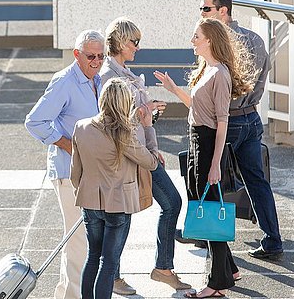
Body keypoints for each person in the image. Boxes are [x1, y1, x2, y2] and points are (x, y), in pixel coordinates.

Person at [155, 18, 256, 298]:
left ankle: (217, 285)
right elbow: (198, 108)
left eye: (196, 36)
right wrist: (174, 90)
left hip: (209, 145)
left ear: (209, 39)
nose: (193, 41)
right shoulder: (207, 70)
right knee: (205, 205)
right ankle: (230, 269)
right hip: (198, 140)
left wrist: (214, 165)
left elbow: (222, 121)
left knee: (209, 210)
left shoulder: (220, 74)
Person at [99, 16, 191, 292]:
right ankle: (114, 277)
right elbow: (113, 121)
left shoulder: (124, 73)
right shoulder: (108, 76)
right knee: (122, 215)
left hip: (142, 152)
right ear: (118, 42)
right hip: (127, 155)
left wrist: (152, 137)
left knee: (172, 202)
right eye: (133, 41)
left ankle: (162, 268)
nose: (137, 47)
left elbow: (142, 119)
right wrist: (143, 115)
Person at [199, 0, 283, 260]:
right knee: (257, 181)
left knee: (209, 177)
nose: (201, 14)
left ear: (223, 11)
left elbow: (216, 89)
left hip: (227, 121)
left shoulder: (218, 43)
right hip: (252, 118)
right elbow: (262, 78)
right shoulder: (256, 40)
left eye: (206, 9)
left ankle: (206, 237)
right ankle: (273, 240)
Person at [25, 29, 105, 299]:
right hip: (69, 173)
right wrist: (70, 146)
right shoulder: (64, 82)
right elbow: (34, 122)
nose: (96, 61)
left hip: (92, 172)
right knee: (79, 240)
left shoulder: (98, 79)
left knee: (86, 239)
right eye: (90, 56)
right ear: (76, 54)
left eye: (101, 56)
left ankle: (66, 294)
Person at [70, 78, 160, 299]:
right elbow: (151, 162)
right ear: (124, 103)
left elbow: (75, 173)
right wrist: (149, 129)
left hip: (89, 201)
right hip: (118, 204)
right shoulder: (124, 133)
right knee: (109, 263)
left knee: (92, 257)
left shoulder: (81, 127)